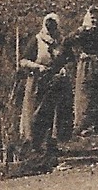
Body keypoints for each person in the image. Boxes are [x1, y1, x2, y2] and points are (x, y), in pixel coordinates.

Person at [16, 13, 72, 149]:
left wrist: (65, 68)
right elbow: (23, 61)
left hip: (56, 82)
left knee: (54, 113)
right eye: (48, 25)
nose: (50, 28)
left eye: (53, 26)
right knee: (36, 112)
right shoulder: (37, 40)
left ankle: (51, 143)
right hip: (37, 82)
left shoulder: (62, 41)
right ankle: (32, 144)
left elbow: (70, 59)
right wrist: (37, 67)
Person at [68, 6, 98, 136]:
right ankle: (84, 125)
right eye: (91, 18)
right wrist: (82, 31)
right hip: (87, 65)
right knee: (86, 94)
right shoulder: (82, 31)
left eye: (96, 17)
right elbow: (69, 41)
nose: (94, 21)